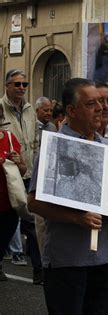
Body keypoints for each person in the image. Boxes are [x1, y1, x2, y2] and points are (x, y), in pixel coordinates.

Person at [28, 78, 108, 314]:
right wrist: (77, 218)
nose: (101, 108)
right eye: (91, 104)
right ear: (71, 110)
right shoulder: (55, 147)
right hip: (68, 259)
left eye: (102, 102)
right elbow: (34, 202)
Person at [0, 69, 42, 284]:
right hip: (6, 176)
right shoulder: (0, 107)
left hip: (27, 172)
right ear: (7, 86)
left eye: (24, 84)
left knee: (32, 222)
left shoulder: (29, 110)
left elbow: (34, 140)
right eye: (17, 84)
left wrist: (33, 165)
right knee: (7, 222)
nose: (21, 88)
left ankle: (39, 270)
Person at [0, 105, 26, 281]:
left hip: (8, 203)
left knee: (3, 239)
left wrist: (18, 161)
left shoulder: (10, 139)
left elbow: (23, 171)